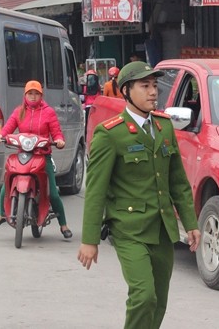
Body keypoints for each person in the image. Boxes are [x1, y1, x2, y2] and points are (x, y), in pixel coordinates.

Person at [77, 61, 200, 329]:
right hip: (129, 229)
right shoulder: (110, 134)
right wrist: (89, 240)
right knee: (143, 296)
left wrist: (190, 223)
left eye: (155, 86)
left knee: (159, 301)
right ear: (125, 91)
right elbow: (96, 189)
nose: (153, 92)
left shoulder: (164, 126)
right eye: (145, 86)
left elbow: (178, 181)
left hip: (163, 228)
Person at [0, 80, 73, 239]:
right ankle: (1, 214)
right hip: (23, 153)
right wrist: (1, 135)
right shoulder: (19, 111)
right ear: (25, 95)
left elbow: (56, 132)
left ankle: (63, 225)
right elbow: (8, 128)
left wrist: (59, 140)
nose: (33, 97)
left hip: (42, 155)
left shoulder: (48, 112)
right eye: (30, 94)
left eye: (36, 94)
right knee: (7, 183)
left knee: (53, 194)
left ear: (41, 95)